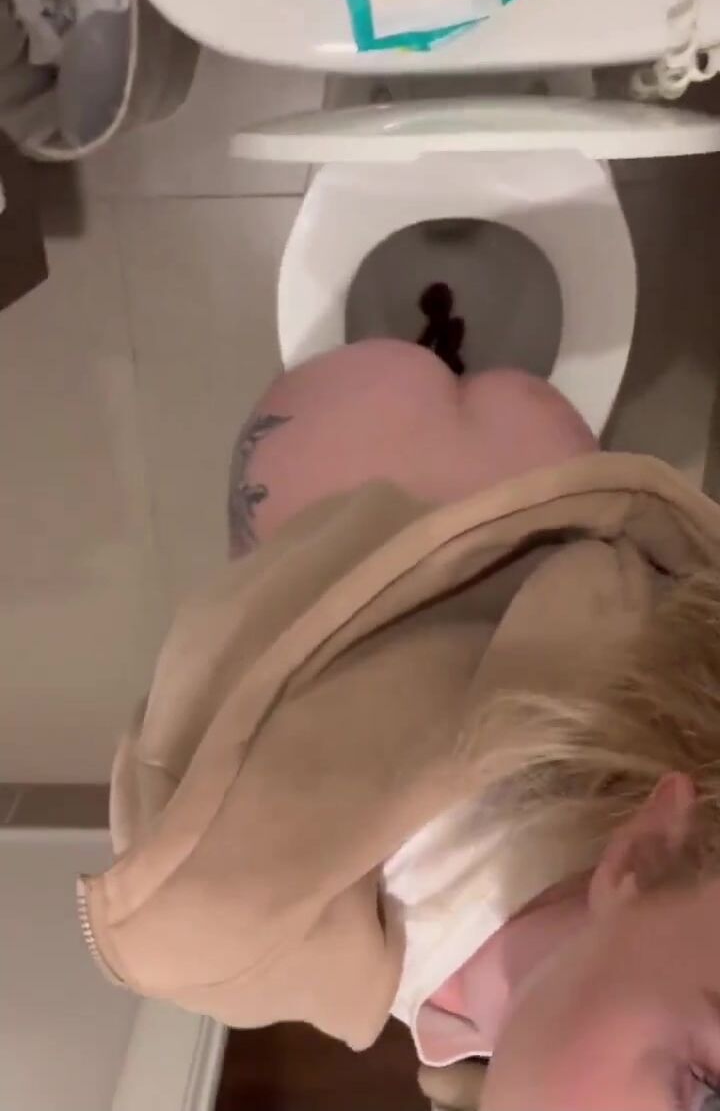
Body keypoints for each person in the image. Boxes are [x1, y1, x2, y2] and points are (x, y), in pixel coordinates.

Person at [81, 340, 720, 1111]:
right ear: (647, 853)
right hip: (379, 451)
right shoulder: (602, 674)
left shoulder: (451, 1026)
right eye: (707, 1096)